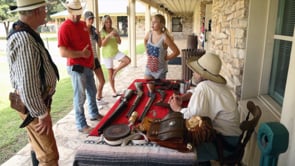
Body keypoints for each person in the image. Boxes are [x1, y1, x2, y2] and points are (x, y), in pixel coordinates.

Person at [6, 0, 59, 165]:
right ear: (36, 11)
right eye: (44, 9)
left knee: (38, 148)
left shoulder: (24, 32)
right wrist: (42, 114)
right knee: (49, 156)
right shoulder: (25, 40)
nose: (46, 12)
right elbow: (28, 85)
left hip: (34, 103)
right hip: (34, 105)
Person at [169, 53, 241, 162]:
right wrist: (183, 98)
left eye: (196, 70)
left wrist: (178, 109)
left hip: (223, 144)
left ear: (203, 74)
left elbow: (193, 121)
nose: (193, 72)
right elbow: (195, 91)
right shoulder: (215, 85)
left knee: (179, 152)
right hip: (231, 140)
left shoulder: (204, 87)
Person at [58, 0, 103, 134]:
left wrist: (92, 61)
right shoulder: (64, 27)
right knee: (80, 96)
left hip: (88, 65)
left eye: (79, 14)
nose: (77, 17)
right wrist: (81, 54)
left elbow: (88, 44)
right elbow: (63, 52)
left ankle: (94, 113)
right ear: (69, 11)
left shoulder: (83, 25)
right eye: (74, 14)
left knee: (92, 91)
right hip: (75, 66)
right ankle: (81, 124)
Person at [100, 15, 131, 97]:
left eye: (110, 21)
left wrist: (117, 36)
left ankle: (116, 70)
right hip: (107, 54)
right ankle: (114, 91)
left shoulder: (114, 30)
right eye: (106, 22)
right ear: (104, 23)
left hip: (115, 52)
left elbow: (119, 42)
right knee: (110, 74)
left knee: (128, 60)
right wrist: (109, 36)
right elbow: (102, 44)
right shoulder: (102, 31)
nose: (109, 23)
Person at [143, 14, 180, 80]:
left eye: (155, 22)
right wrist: (146, 49)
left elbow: (176, 52)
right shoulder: (149, 33)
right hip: (148, 69)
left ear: (162, 24)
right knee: (147, 87)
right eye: (152, 22)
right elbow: (145, 40)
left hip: (160, 71)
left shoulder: (165, 38)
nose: (152, 24)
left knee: (159, 89)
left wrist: (167, 58)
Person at [84, 11, 108, 106]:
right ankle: (93, 103)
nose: (91, 20)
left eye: (92, 18)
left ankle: (98, 97)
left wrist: (98, 35)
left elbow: (100, 44)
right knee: (90, 85)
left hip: (95, 58)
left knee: (102, 80)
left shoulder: (94, 30)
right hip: (87, 60)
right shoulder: (82, 31)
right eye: (89, 18)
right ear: (85, 19)